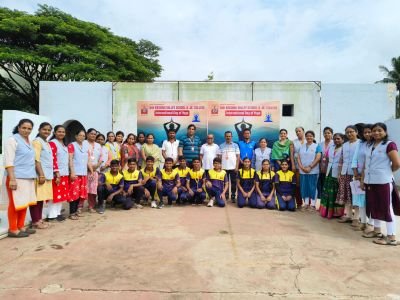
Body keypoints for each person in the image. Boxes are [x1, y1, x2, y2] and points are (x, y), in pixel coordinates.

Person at [361, 123, 400, 246]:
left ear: (385, 131)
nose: (376, 133)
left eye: (379, 130)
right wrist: (363, 180)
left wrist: (386, 172)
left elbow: (397, 163)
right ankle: (377, 231)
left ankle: (391, 237)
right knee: (373, 206)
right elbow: (365, 164)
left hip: (383, 181)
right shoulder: (370, 145)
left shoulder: (389, 144)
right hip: (370, 181)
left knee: (386, 208)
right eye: (374, 131)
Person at [3, 119, 37, 237]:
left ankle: (21, 226)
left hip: (28, 177)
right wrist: (12, 179)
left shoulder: (29, 141)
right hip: (16, 177)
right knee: (15, 203)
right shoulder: (12, 140)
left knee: (24, 203)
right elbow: (9, 161)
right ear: (18, 128)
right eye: (24, 128)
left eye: (29, 128)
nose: (26, 130)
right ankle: (13, 229)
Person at [31, 122, 54, 229]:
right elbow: (36, 159)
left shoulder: (46, 142)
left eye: (49, 130)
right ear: (39, 130)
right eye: (44, 129)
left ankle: (39, 219)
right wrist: (41, 174)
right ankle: (35, 221)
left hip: (47, 174)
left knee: (41, 199)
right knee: (37, 199)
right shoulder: (37, 142)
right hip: (40, 175)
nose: (47, 132)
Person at [351, 124, 372, 231]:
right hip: (358, 176)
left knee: (371, 200)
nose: (367, 134)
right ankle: (363, 222)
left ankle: (371, 224)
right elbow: (355, 159)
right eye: (365, 132)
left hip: (371, 177)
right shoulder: (361, 143)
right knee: (361, 200)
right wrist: (355, 173)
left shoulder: (374, 144)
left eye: (369, 132)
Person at [337, 125, 360, 223]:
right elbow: (341, 160)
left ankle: (356, 217)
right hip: (344, 173)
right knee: (346, 195)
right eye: (347, 132)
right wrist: (339, 173)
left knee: (356, 195)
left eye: (351, 132)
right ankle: (348, 215)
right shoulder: (345, 145)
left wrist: (359, 174)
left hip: (355, 174)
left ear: (356, 132)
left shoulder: (361, 143)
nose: (349, 134)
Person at [319, 133, 345, 219]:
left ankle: (336, 212)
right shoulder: (331, 148)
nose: (336, 140)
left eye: (338, 139)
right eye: (335, 139)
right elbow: (325, 159)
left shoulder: (344, 149)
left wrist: (341, 174)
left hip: (339, 172)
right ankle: (325, 211)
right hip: (329, 171)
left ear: (343, 139)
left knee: (336, 192)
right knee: (327, 192)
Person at [48, 125, 70, 222]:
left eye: (63, 132)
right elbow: (53, 159)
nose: (61, 133)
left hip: (64, 173)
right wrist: (56, 173)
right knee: (55, 194)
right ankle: (52, 215)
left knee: (61, 195)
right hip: (57, 174)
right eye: (59, 131)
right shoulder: (53, 143)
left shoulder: (64, 144)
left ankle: (57, 213)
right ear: (55, 132)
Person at [297, 130, 322, 210]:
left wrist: (310, 167)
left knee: (313, 187)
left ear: (313, 137)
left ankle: (313, 205)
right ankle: (306, 204)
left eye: (311, 136)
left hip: (313, 170)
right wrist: (302, 167)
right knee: (305, 187)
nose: (309, 137)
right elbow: (298, 158)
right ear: (305, 137)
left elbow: (318, 157)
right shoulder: (301, 146)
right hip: (303, 171)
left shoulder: (317, 146)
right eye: (307, 136)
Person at [68, 129, 89, 220]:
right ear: (76, 136)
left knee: (80, 193)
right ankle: (72, 213)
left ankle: (76, 211)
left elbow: (87, 160)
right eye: (80, 135)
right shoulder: (72, 145)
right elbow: (70, 159)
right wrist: (72, 172)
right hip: (75, 173)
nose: (82, 137)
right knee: (74, 193)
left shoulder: (85, 146)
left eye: (83, 136)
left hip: (83, 173)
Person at [84, 128, 103, 213]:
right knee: (86, 188)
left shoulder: (98, 145)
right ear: (87, 134)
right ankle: (82, 206)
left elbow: (101, 157)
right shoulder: (83, 143)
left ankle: (92, 205)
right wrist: (90, 167)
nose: (93, 135)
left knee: (93, 188)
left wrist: (97, 166)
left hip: (95, 170)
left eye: (95, 134)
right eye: (91, 134)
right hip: (85, 170)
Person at [218, 131, 240, 203]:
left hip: (233, 167)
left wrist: (237, 166)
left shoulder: (235, 145)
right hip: (224, 168)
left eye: (229, 136)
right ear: (225, 137)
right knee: (225, 183)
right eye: (227, 136)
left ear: (231, 137)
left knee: (233, 182)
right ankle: (226, 195)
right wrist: (220, 167)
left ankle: (233, 195)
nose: (228, 137)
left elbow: (238, 157)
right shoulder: (221, 146)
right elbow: (219, 157)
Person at [317, 127, 334, 199]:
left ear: (332, 134)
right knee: (321, 185)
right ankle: (321, 203)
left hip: (331, 168)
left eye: (329, 133)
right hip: (321, 167)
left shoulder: (334, 143)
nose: (327, 134)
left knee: (329, 186)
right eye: (325, 133)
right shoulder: (320, 144)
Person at [291, 127, 305, 207]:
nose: (298, 132)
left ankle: (308, 204)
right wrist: (293, 164)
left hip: (307, 166)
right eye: (296, 131)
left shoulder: (308, 141)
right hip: (296, 166)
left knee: (306, 184)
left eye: (299, 131)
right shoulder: (293, 142)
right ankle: (299, 203)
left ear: (303, 131)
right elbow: (292, 154)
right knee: (297, 184)